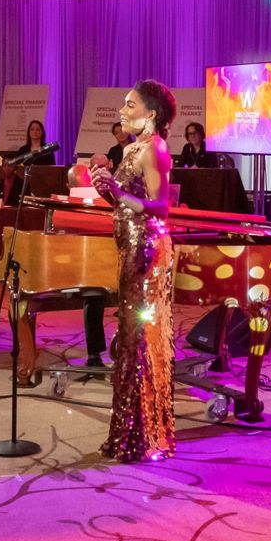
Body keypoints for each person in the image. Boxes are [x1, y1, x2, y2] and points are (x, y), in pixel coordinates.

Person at [87, 80, 177, 462]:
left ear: (150, 113)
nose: (122, 110)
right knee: (129, 335)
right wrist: (105, 189)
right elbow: (124, 203)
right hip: (129, 246)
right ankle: (129, 435)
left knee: (136, 338)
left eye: (130, 104)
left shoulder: (155, 149)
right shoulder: (130, 149)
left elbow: (160, 207)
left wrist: (118, 192)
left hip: (146, 250)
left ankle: (139, 438)